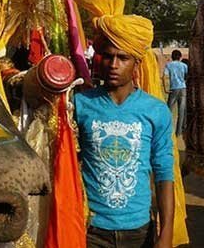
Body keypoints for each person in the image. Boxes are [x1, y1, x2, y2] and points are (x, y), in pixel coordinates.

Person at [73, 13, 174, 248]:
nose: (114, 65)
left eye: (123, 58)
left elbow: (163, 171)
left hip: (138, 231)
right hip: (92, 230)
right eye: (107, 57)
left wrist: (166, 230)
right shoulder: (80, 105)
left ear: (136, 63)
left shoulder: (155, 110)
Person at [163, 49, 188, 137]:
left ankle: (167, 130)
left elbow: (164, 77)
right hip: (183, 88)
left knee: (168, 110)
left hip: (173, 89)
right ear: (180, 57)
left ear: (172, 57)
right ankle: (178, 133)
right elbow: (187, 76)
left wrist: (166, 88)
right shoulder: (184, 65)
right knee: (181, 111)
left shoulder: (168, 65)